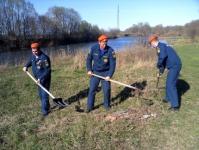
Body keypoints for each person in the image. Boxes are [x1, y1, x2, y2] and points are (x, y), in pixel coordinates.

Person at [148, 35, 182, 111]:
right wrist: (160, 72)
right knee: (168, 83)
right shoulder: (160, 47)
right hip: (173, 65)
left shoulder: (161, 46)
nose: (151, 46)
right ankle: (168, 98)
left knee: (171, 84)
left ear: (153, 42)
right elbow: (163, 61)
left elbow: (162, 57)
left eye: (150, 44)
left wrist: (158, 64)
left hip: (175, 66)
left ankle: (175, 106)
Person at [86, 34, 116, 112]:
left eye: (106, 42)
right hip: (95, 72)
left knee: (106, 90)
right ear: (99, 42)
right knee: (92, 89)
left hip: (106, 73)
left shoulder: (110, 51)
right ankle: (90, 107)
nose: (105, 44)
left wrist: (109, 75)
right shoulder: (93, 48)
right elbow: (88, 60)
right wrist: (89, 70)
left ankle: (107, 106)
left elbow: (113, 64)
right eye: (103, 42)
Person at [23, 42, 51, 116]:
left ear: (39, 49)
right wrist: (26, 66)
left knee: (44, 95)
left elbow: (47, 71)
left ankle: (44, 112)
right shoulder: (33, 56)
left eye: (35, 51)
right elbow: (30, 61)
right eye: (32, 51)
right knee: (41, 95)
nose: (34, 53)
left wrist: (40, 78)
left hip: (44, 79)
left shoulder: (44, 58)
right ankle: (47, 106)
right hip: (37, 80)